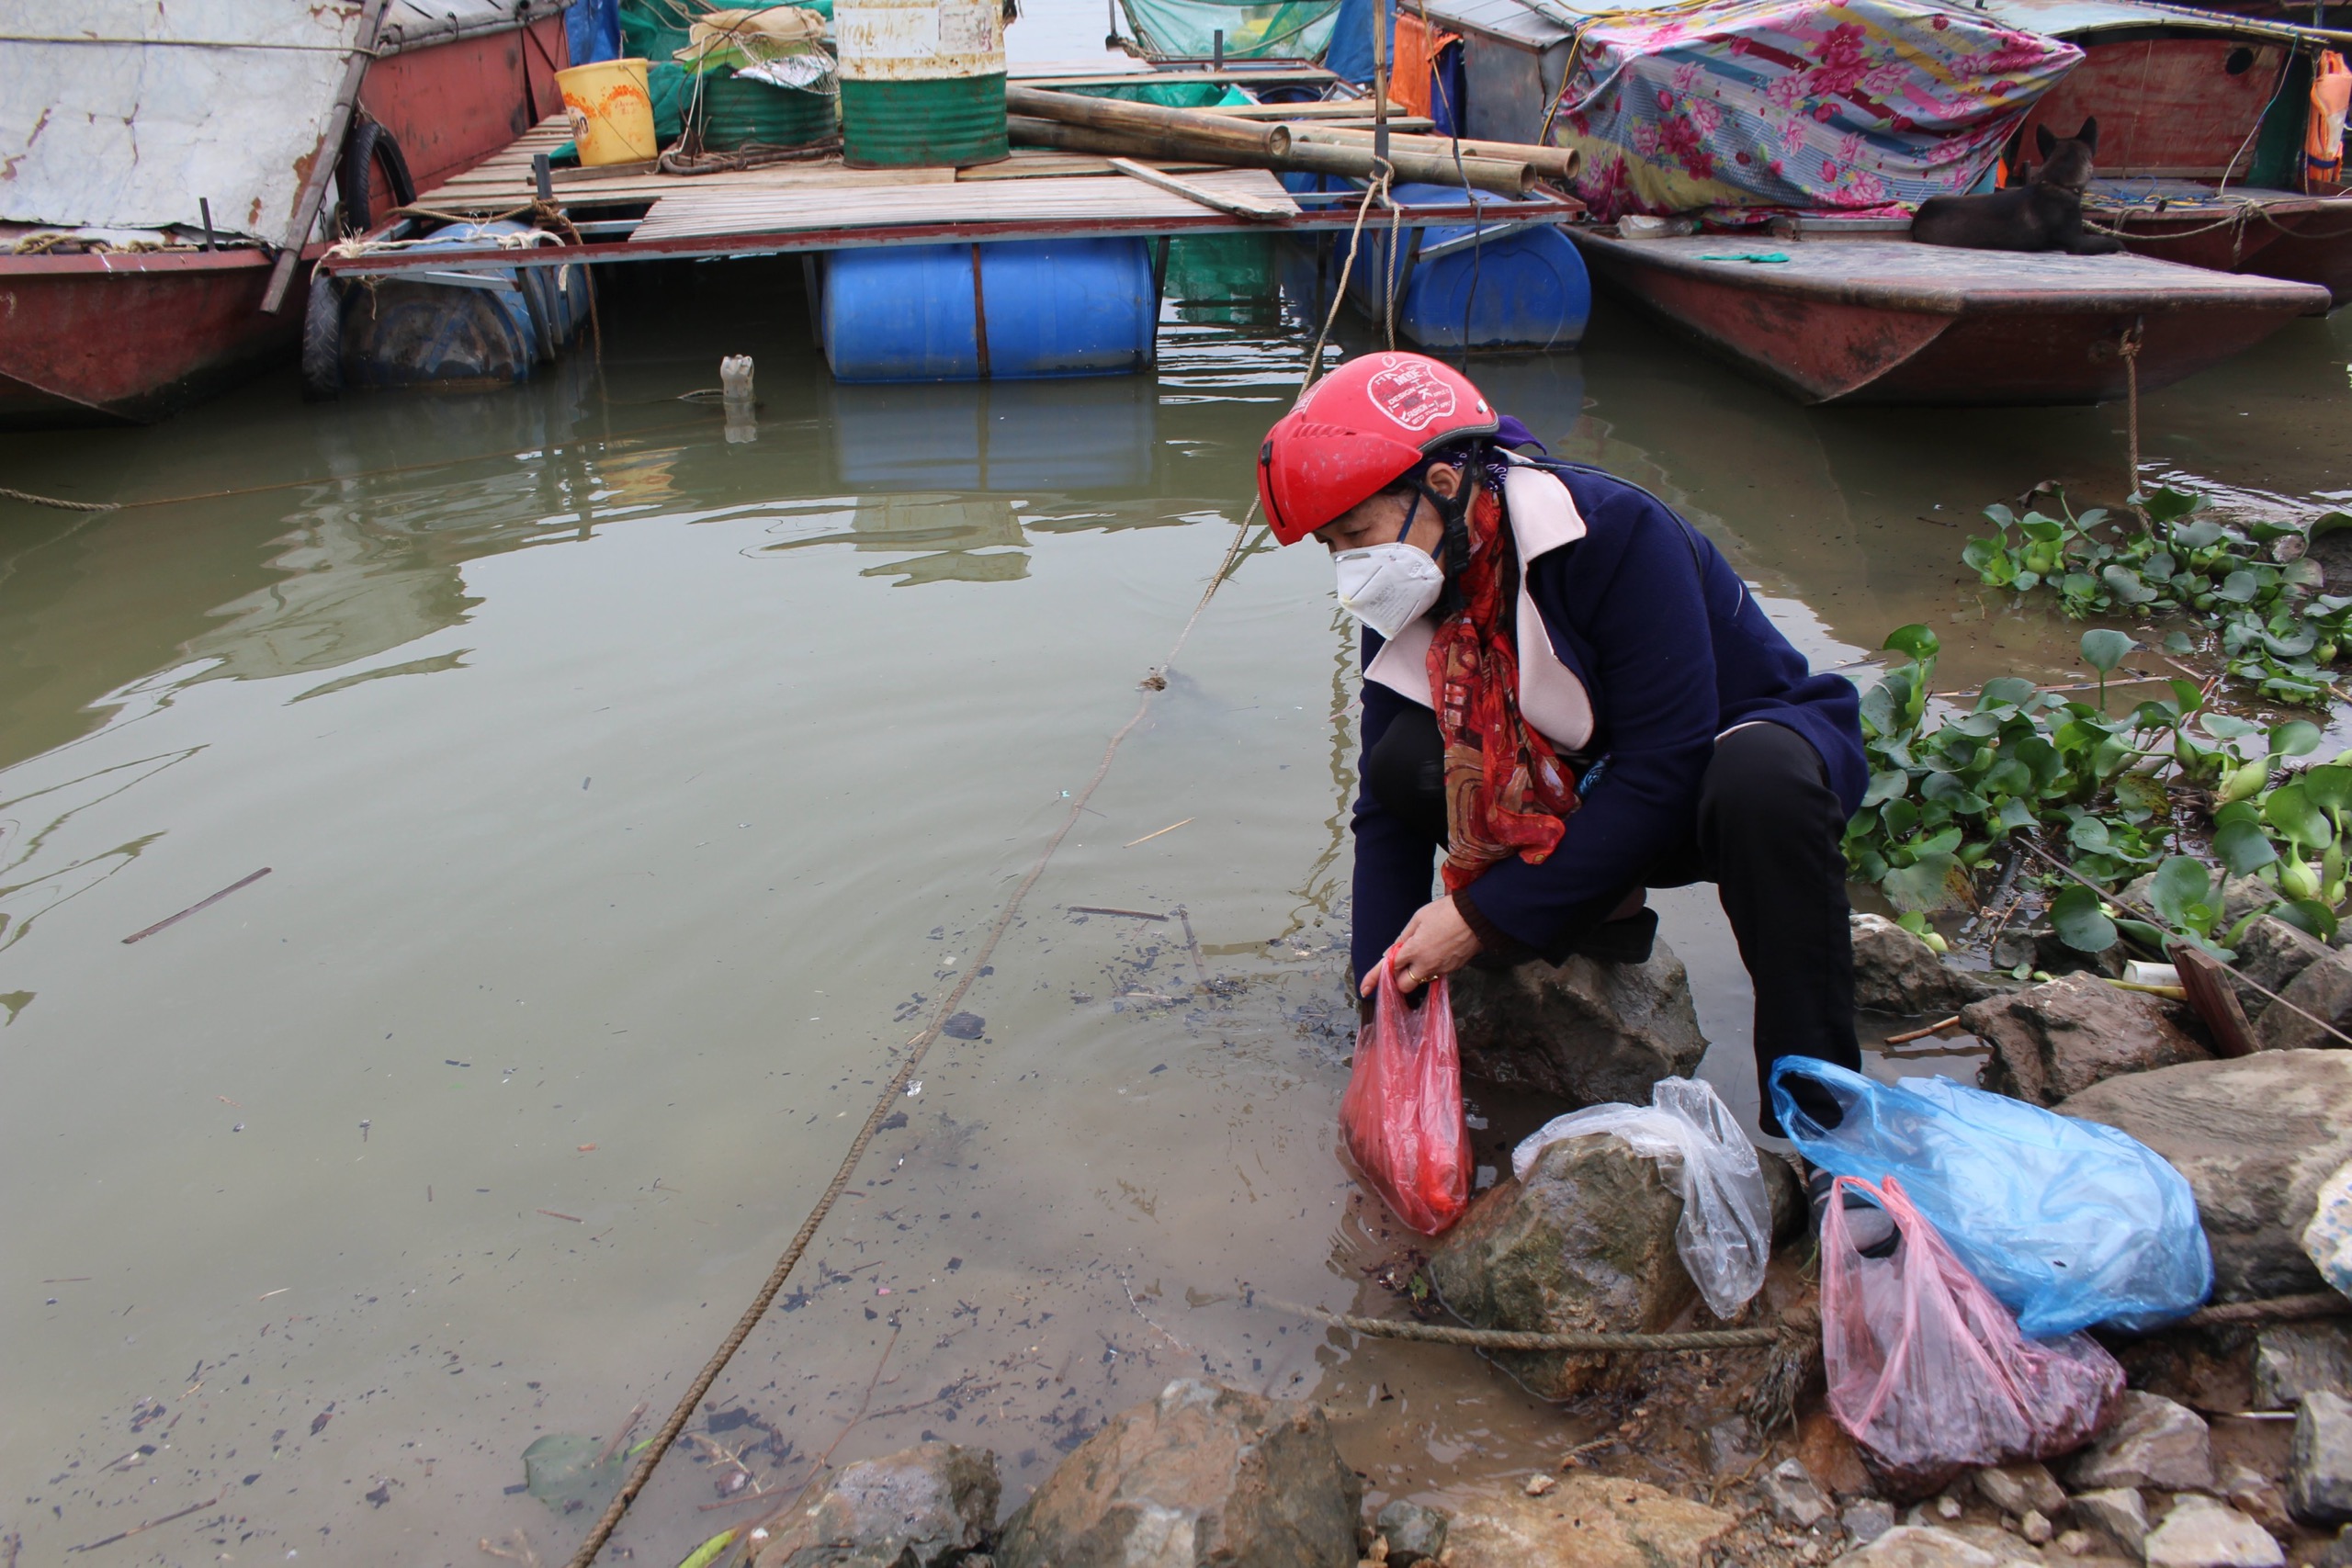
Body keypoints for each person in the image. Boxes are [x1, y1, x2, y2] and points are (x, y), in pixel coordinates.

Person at [1257, 351, 1866, 1139]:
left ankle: (1825, 1126)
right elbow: (1384, 810)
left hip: (1716, 773)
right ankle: (1592, 911)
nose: (1352, 569)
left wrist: (1477, 915)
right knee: (1406, 759)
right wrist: (1382, 1020)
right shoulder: (1425, 571)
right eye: (1331, 547)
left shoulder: (1612, 533)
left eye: (1356, 534)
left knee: (1760, 782)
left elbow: (1665, 768)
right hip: (1594, 774)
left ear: (1441, 484)